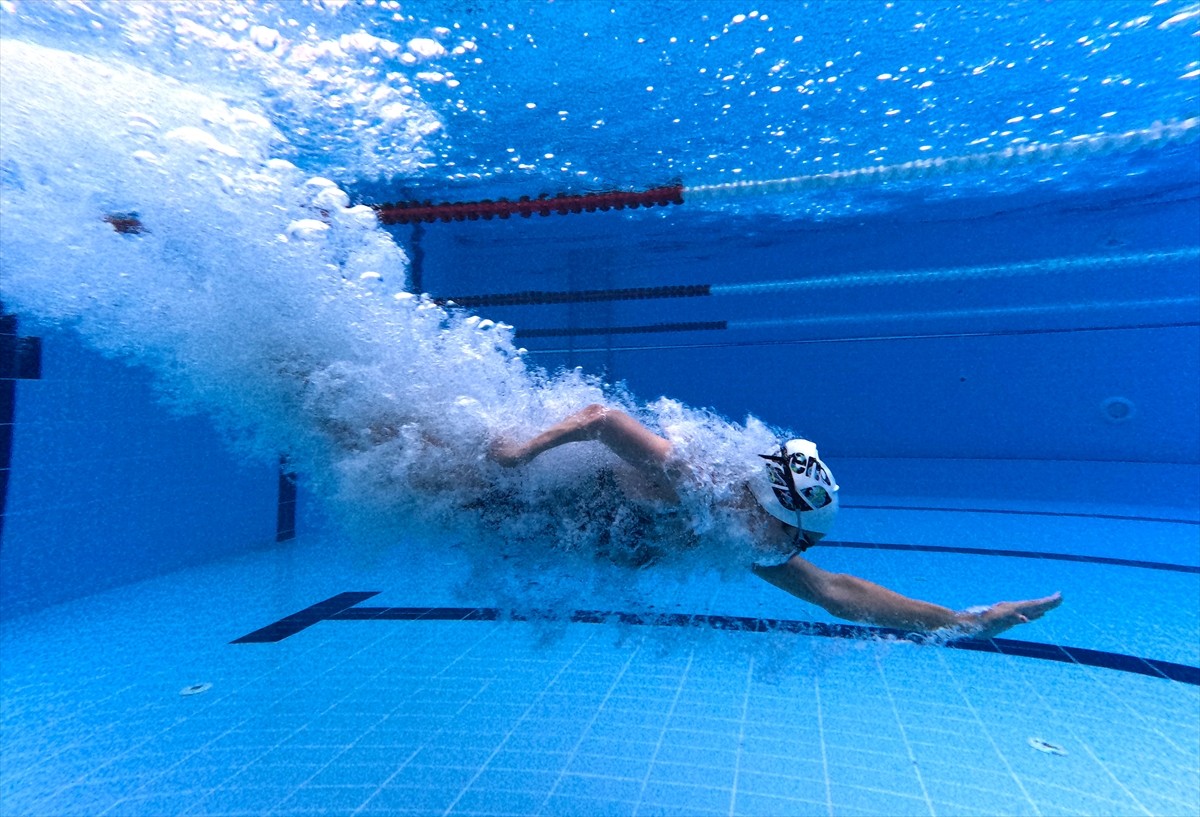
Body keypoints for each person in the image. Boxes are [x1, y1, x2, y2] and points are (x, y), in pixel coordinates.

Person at [491, 404, 1062, 640]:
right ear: (765, 508)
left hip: (535, 531)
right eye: (796, 536)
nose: (795, 549)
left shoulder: (740, 533)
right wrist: (522, 454)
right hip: (509, 496)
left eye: (805, 541)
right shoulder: (698, 479)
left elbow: (835, 592)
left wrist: (965, 622)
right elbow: (603, 418)